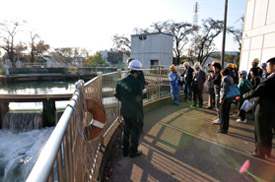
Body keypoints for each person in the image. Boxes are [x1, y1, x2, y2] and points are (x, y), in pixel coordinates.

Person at [243, 57, 275, 159]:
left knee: (260, 130)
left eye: (268, 66)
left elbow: (258, 90)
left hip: (263, 108)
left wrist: (245, 96)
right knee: (268, 130)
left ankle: (260, 152)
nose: (266, 68)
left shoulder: (271, 79)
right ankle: (268, 152)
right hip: (272, 109)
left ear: (274, 66)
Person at [114, 60, 145, 158]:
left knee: (126, 130)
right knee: (135, 132)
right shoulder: (138, 83)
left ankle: (125, 150)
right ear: (137, 72)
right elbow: (139, 97)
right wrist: (143, 93)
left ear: (129, 70)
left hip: (125, 110)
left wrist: (125, 101)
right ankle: (133, 151)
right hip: (135, 112)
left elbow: (117, 95)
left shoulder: (120, 81)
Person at [126, 57, 146, 130]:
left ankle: (138, 126)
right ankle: (140, 125)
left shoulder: (134, 72)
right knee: (139, 109)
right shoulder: (139, 71)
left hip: (136, 94)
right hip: (139, 93)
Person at [218, 68, 234, 134]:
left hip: (225, 99)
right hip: (229, 98)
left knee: (223, 114)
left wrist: (222, 99)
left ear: (223, 73)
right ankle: (225, 127)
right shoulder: (230, 78)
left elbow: (225, 90)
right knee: (226, 114)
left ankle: (223, 129)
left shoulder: (225, 79)